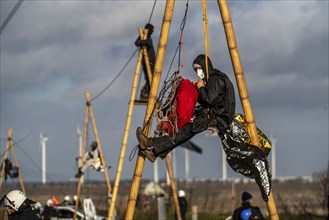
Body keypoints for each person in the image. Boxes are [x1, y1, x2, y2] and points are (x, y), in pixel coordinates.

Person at [136, 54, 236, 162]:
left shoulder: (215, 79)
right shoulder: (213, 78)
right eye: (195, 69)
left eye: (198, 69)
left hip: (218, 118)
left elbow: (209, 100)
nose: (197, 72)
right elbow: (209, 99)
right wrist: (195, 89)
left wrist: (201, 87)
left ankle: (151, 144)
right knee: (184, 130)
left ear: (204, 66)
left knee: (185, 130)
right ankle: (154, 151)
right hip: (215, 115)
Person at [135, 23, 156, 100]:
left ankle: (146, 92)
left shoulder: (148, 37)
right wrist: (144, 42)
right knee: (149, 77)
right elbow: (137, 43)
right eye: (152, 30)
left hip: (151, 61)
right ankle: (144, 92)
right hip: (147, 61)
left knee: (151, 78)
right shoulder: (144, 36)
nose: (153, 31)